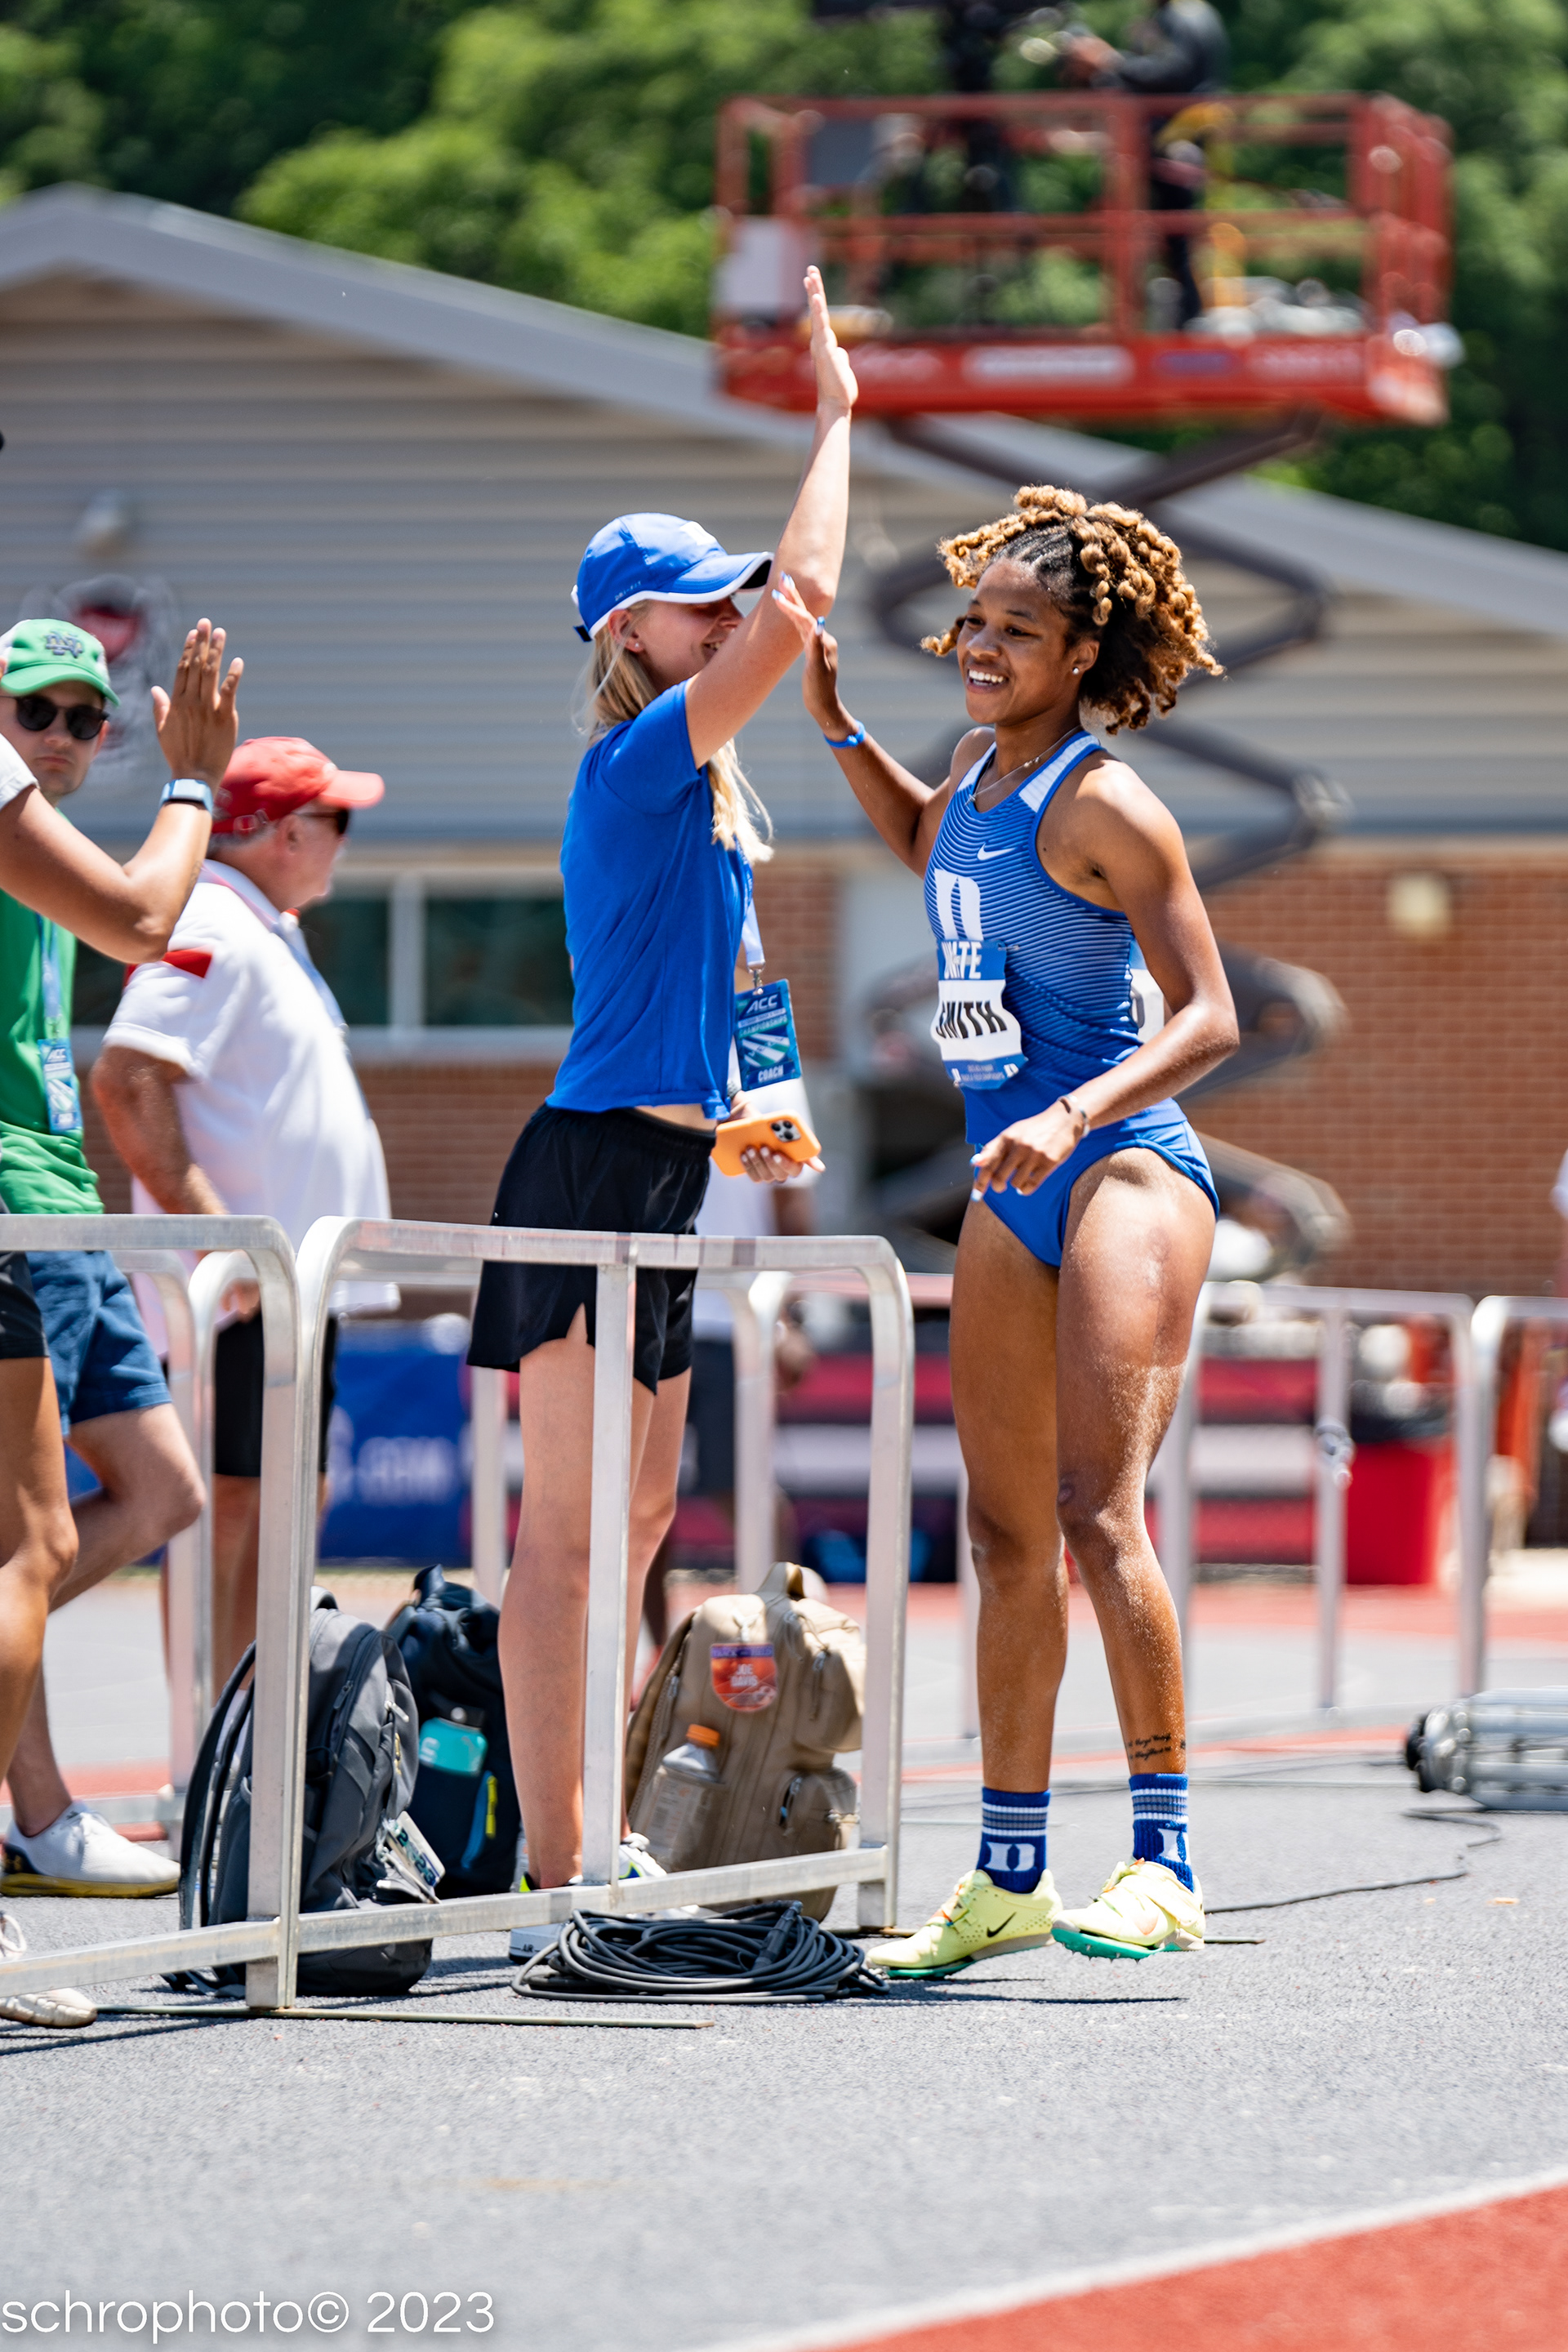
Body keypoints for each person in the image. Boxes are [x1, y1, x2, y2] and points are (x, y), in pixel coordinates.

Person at [778, 482, 1238, 1974]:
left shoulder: (1106, 798)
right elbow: (931, 848)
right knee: (1001, 1532)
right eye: (974, 621)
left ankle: (1164, 1863)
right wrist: (840, 724)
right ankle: (1010, 1877)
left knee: (1103, 1513)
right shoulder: (978, 771)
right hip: (1007, 1183)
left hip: (1121, 1170)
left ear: (1083, 652)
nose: (979, 645)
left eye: (1016, 631)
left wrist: (1079, 1111)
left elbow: (1213, 1017)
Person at [466, 266, 855, 1909]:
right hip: (585, 1163)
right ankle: (557, 1870)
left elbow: (739, 982)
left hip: (673, 1167)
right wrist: (839, 415)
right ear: (631, 629)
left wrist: (761, 1106)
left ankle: (598, 1845)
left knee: (633, 1535)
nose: (729, 618)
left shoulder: (702, 793)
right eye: (699, 605)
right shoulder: (636, 758)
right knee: (564, 1547)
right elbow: (810, 601)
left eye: (722, 601)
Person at [0, 614, 239, 2028]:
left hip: (48, 1199)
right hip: (13, 1200)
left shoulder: (39, 837)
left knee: (93, 1520)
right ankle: (36, 1811)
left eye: (95, 717)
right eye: (43, 710)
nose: (71, 736)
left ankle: (39, 1811)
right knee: (25, 1546)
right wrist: (196, 778)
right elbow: (149, 917)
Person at [92, 737, 394, 1686]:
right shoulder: (218, 922)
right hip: (246, 1293)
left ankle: (247, 1737)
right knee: (234, 1507)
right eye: (336, 819)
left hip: (284, 1289)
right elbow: (128, 1073)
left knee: (282, 1504)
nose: (346, 838)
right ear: (285, 833)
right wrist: (219, 1237)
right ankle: (212, 1752)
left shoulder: (262, 927)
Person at [1058, 2, 1231, 328]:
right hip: (1166, 138)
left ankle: (1185, 320)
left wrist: (1109, 61)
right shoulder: (1177, 15)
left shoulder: (1185, 15)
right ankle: (1166, 319)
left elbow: (1175, 72)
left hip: (1177, 136)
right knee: (1159, 233)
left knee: (1174, 233)